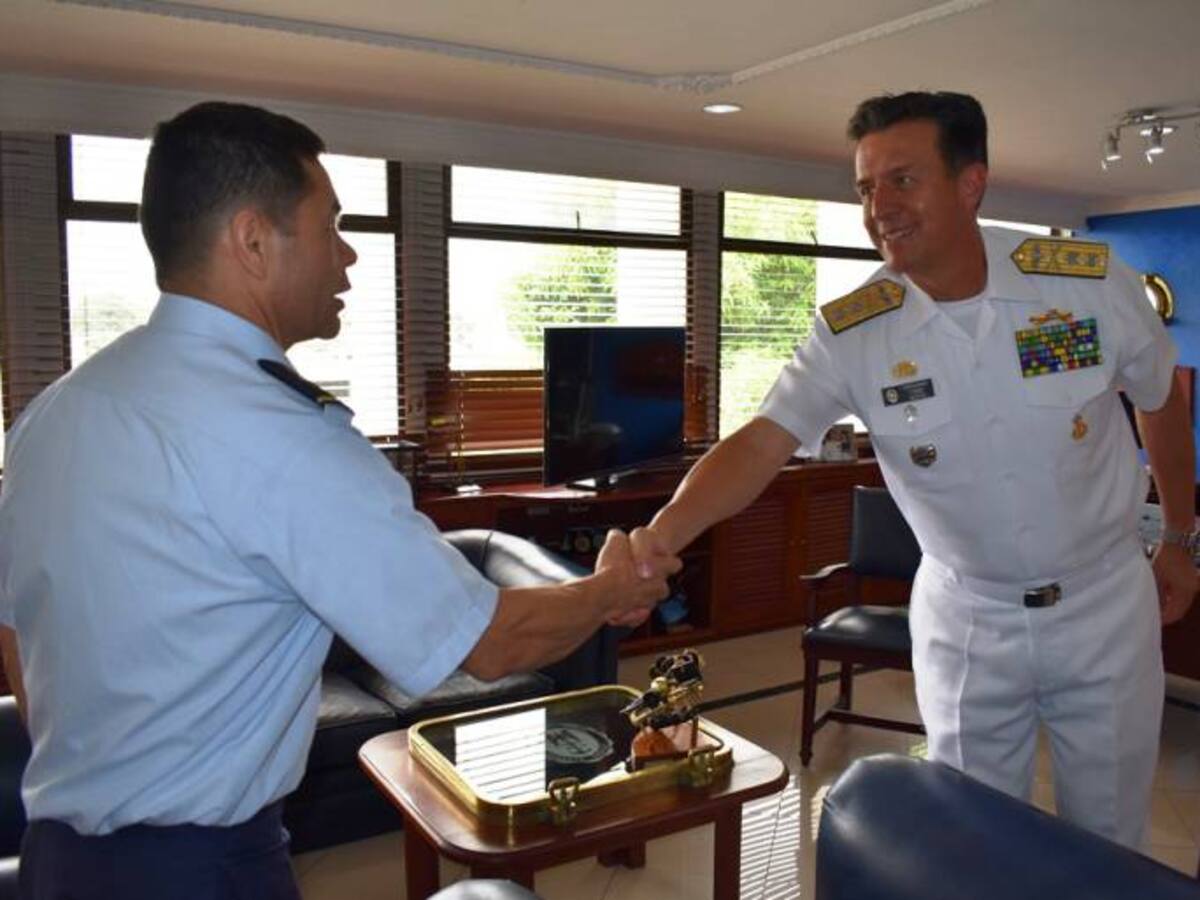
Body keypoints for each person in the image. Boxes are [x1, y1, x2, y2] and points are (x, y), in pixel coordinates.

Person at [0, 101, 678, 900]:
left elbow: (19, 635)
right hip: (195, 870)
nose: (349, 257)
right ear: (253, 241)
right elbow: (488, 645)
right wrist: (611, 591)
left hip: (57, 861)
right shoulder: (282, 436)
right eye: (331, 227)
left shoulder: (58, 410)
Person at [630, 91, 1196, 848]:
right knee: (971, 835)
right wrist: (659, 537)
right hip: (969, 619)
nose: (878, 207)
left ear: (971, 183)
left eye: (902, 179)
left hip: (1103, 604)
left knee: (1109, 834)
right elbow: (764, 441)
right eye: (866, 187)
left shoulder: (1086, 287)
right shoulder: (853, 331)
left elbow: (1160, 401)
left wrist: (1181, 539)